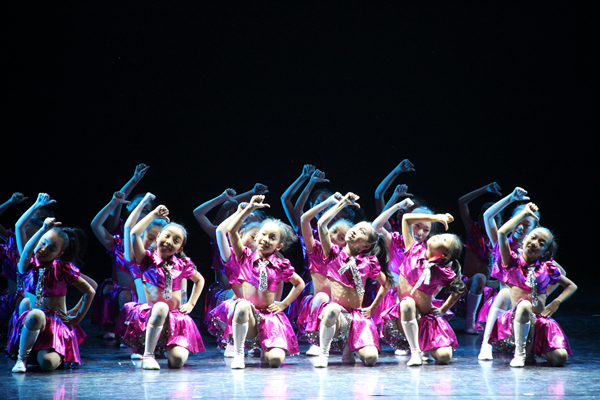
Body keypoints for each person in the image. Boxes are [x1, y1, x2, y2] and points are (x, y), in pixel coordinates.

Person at [115, 197, 205, 369]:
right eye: (167, 236)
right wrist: (154, 214)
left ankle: (167, 348)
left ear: (179, 249)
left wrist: (191, 304)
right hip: (152, 315)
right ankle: (148, 355)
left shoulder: (182, 264)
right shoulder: (147, 260)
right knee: (162, 307)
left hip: (175, 320)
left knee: (177, 361)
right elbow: (134, 233)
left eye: (176, 241)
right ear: (157, 238)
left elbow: (200, 280)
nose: (169, 242)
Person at [304, 193, 391, 368]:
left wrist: (373, 307)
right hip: (337, 315)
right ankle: (324, 354)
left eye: (362, 232)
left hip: (357, 316)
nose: (355, 230)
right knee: (332, 308)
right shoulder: (333, 254)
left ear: (365, 245)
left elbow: (386, 284)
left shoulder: (369, 262)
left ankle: (350, 348)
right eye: (356, 227)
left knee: (371, 359)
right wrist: (343, 203)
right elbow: (321, 224)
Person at [217, 196, 304, 369]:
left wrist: (283, 304)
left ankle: (267, 349)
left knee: (275, 361)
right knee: (242, 304)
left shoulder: (280, 264)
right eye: (263, 234)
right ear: (256, 236)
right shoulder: (245, 256)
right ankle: (239, 354)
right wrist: (249, 209)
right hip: (249, 316)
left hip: (269, 318)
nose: (266, 239)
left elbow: (299, 284)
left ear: (278, 246)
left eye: (272, 237)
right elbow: (232, 231)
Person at [488, 203, 576, 367]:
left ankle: (535, 349)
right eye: (533, 238)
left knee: (560, 358)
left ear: (545, 253)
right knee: (524, 306)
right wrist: (524, 214)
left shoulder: (548, 268)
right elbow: (501, 233)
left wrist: (555, 302)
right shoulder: (512, 262)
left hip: (539, 323)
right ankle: (521, 353)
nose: (535, 243)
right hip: (518, 319)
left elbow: (571, 286)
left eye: (541, 243)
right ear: (524, 239)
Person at [380, 209, 466, 366]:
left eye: (444, 239)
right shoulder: (412, 250)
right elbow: (406, 218)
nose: (438, 236)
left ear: (444, 255)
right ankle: (416, 352)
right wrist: (435, 217)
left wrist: (443, 309)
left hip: (427, 321)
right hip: (407, 313)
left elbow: (458, 290)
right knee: (407, 303)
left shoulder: (441, 270)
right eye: (441, 234)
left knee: (444, 357)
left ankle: (427, 348)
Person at [9, 216, 95, 372]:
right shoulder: (28, 265)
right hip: (35, 321)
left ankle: (44, 352)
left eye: (52, 248)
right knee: (35, 313)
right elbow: (26, 248)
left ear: (59, 253)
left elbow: (90, 290)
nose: (44, 249)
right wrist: (42, 229)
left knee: (47, 364)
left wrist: (77, 317)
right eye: (43, 243)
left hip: (55, 326)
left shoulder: (63, 269)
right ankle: (22, 359)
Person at [298, 192, 351, 355]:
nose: (334, 237)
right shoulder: (315, 249)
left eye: (341, 237)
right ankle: (317, 341)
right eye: (333, 231)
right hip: (319, 304)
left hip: (339, 309)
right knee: (321, 297)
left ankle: (349, 343)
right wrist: (328, 203)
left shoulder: (347, 259)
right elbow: (304, 220)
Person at [457, 183, 503, 334]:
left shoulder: (501, 241)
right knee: (479, 278)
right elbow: (462, 202)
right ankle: (469, 323)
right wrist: (484, 190)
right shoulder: (473, 230)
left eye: (495, 219)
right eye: (488, 218)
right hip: (466, 285)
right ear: (480, 218)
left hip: (488, 289)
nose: (491, 222)